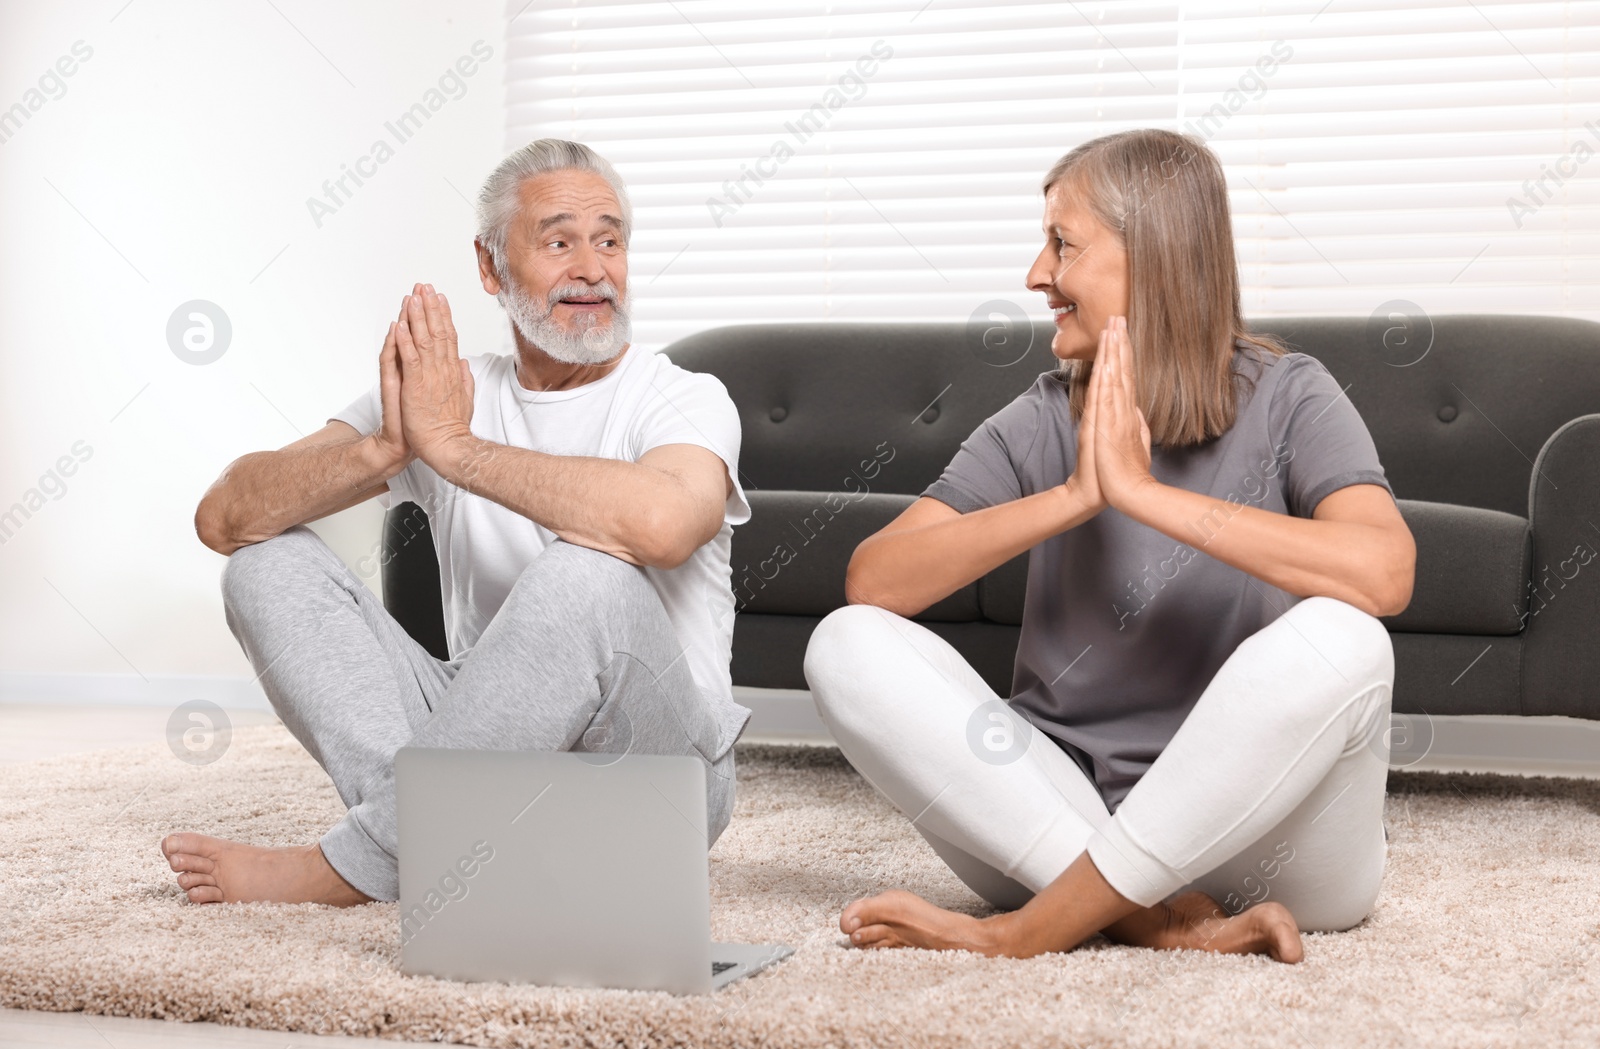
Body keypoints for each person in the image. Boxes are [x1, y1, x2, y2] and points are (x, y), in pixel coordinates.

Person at [803, 129, 1416, 963]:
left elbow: (1384, 572)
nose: (1035, 274)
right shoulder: (1042, 415)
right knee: (845, 643)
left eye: (1063, 243)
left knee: (1350, 638)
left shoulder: (1289, 394)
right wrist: (1072, 497)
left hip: (1273, 843)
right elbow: (875, 581)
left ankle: (1026, 933)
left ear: (1155, 257)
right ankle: (1160, 921)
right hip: (1062, 826)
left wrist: (1150, 498)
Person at [163, 139, 751, 906]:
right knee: (262, 565)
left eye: (610, 240)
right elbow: (225, 514)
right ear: (490, 268)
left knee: (585, 573)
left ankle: (364, 862)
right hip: (487, 754)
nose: (593, 268)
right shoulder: (447, 394)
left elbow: (666, 523)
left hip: (658, 775)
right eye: (558, 241)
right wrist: (385, 445)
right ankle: (440, 840)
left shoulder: (682, 395)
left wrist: (461, 452)